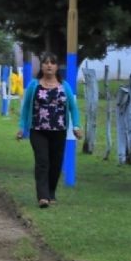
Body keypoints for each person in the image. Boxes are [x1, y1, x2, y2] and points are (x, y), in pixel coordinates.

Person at [16, 52, 81, 209]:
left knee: (56, 163)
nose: (49, 65)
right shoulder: (33, 85)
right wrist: (21, 128)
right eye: (46, 63)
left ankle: (51, 191)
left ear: (57, 66)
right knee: (42, 161)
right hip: (37, 129)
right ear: (42, 66)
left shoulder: (64, 86)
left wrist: (76, 126)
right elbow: (25, 108)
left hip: (59, 130)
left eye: (52, 63)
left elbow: (73, 108)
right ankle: (42, 196)